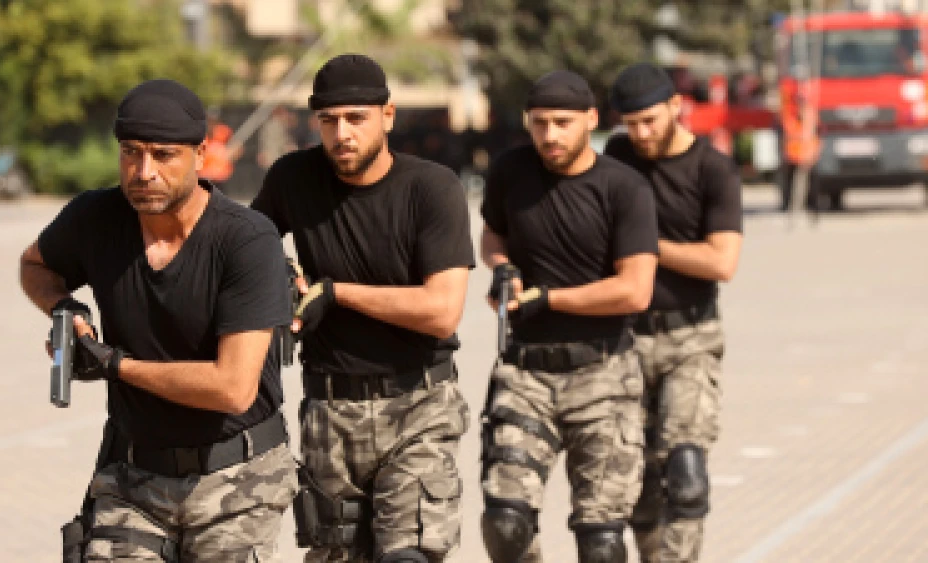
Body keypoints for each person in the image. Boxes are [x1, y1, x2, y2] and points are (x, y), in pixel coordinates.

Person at [19, 79, 296, 562]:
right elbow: (35, 264)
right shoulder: (97, 217)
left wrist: (113, 365)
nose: (143, 172)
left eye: (163, 155)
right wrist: (66, 308)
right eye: (131, 153)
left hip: (236, 474)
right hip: (133, 474)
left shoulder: (247, 241)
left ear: (200, 154)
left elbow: (233, 387)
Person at [250, 54, 475, 563]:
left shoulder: (432, 188)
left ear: (387, 116)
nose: (342, 133)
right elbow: (242, 252)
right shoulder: (293, 178)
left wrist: (334, 292)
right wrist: (282, 278)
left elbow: (443, 310)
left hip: (419, 404)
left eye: (356, 118)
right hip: (329, 412)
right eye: (328, 121)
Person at [478, 70, 659, 563]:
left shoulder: (624, 187)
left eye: (562, 122)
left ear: (591, 120)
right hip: (525, 373)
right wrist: (502, 270)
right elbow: (492, 237)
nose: (550, 135)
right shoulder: (510, 172)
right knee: (505, 525)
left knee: (601, 544)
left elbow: (635, 290)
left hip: (604, 374)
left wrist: (549, 299)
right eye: (539, 123)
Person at [604, 62, 743, 563]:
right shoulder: (617, 157)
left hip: (692, 338)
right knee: (636, 479)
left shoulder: (713, 169)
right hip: (625, 339)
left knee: (685, 473)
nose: (640, 133)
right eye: (630, 123)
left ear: (675, 108)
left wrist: (646, 247)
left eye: (650, 120)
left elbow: (721, 261)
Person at [199, 110, 242, 193]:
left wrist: (231, 154)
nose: (211, 124)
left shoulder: (223, 131)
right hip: (204, 175)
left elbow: (237, 147)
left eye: (213, 121)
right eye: (209, 120)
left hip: (220, 175)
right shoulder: (201, 133)